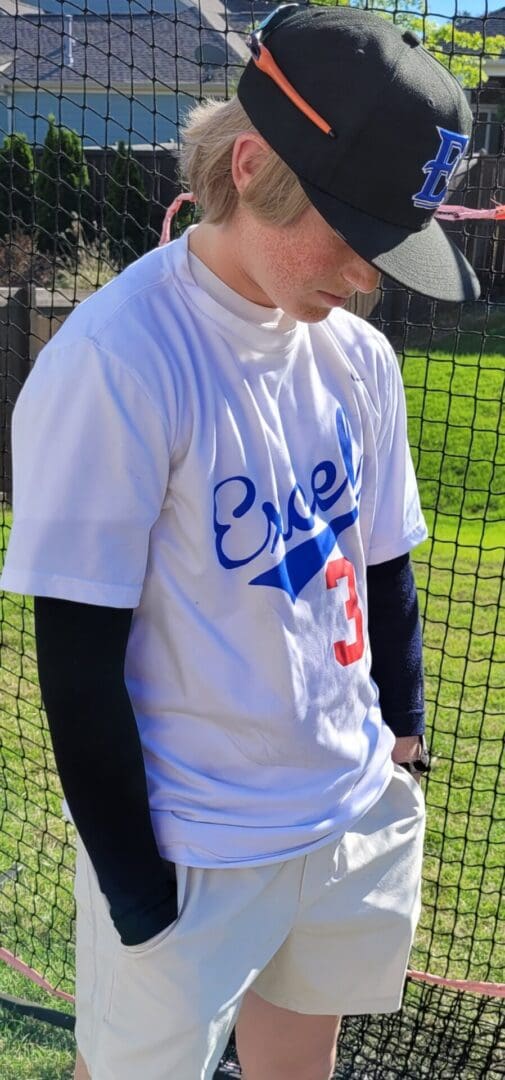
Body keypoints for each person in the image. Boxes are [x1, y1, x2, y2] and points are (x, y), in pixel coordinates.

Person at [1, 6, 479, 1079]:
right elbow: (75, 662)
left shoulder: (357, 360)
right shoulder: (118, 360)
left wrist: (400, 742)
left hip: (350, 813)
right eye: (351, 234)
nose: (368, 275)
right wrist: (136, 893)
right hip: (192, 852)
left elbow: (383, 563)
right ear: (253, 164)